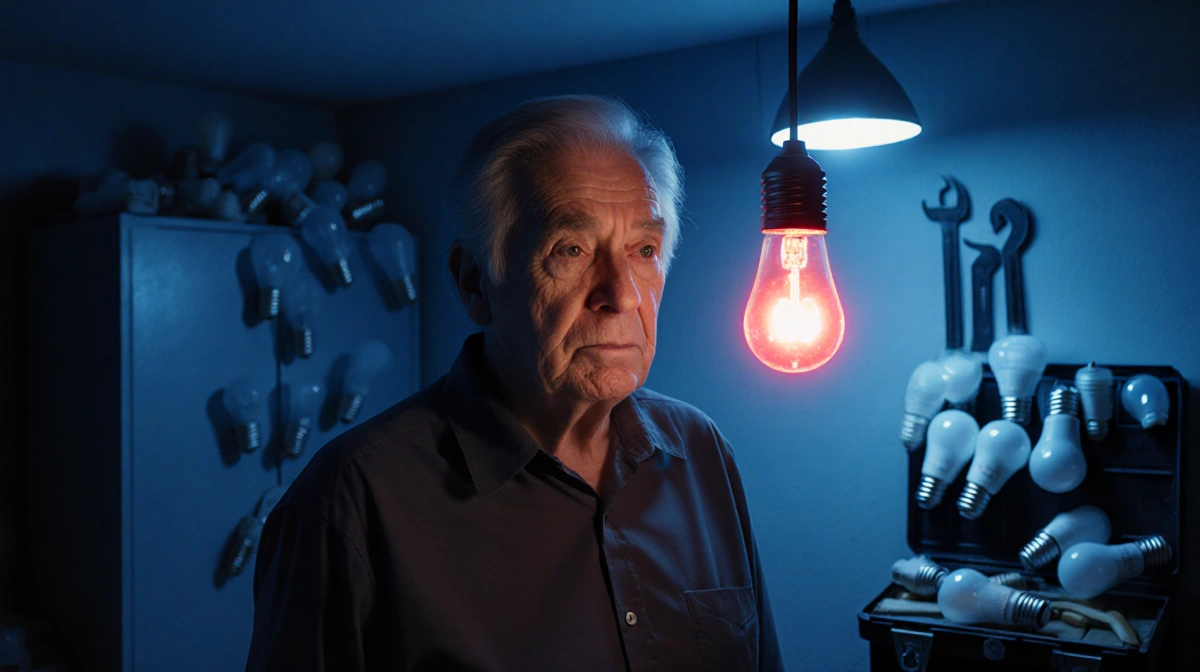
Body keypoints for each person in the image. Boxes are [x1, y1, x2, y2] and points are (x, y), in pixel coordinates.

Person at [246, 95, 784, 671]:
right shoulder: (348, 503)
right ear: (475, 282)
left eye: (644, 250)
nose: (622, 295)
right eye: (571, 250)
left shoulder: (701, 454)